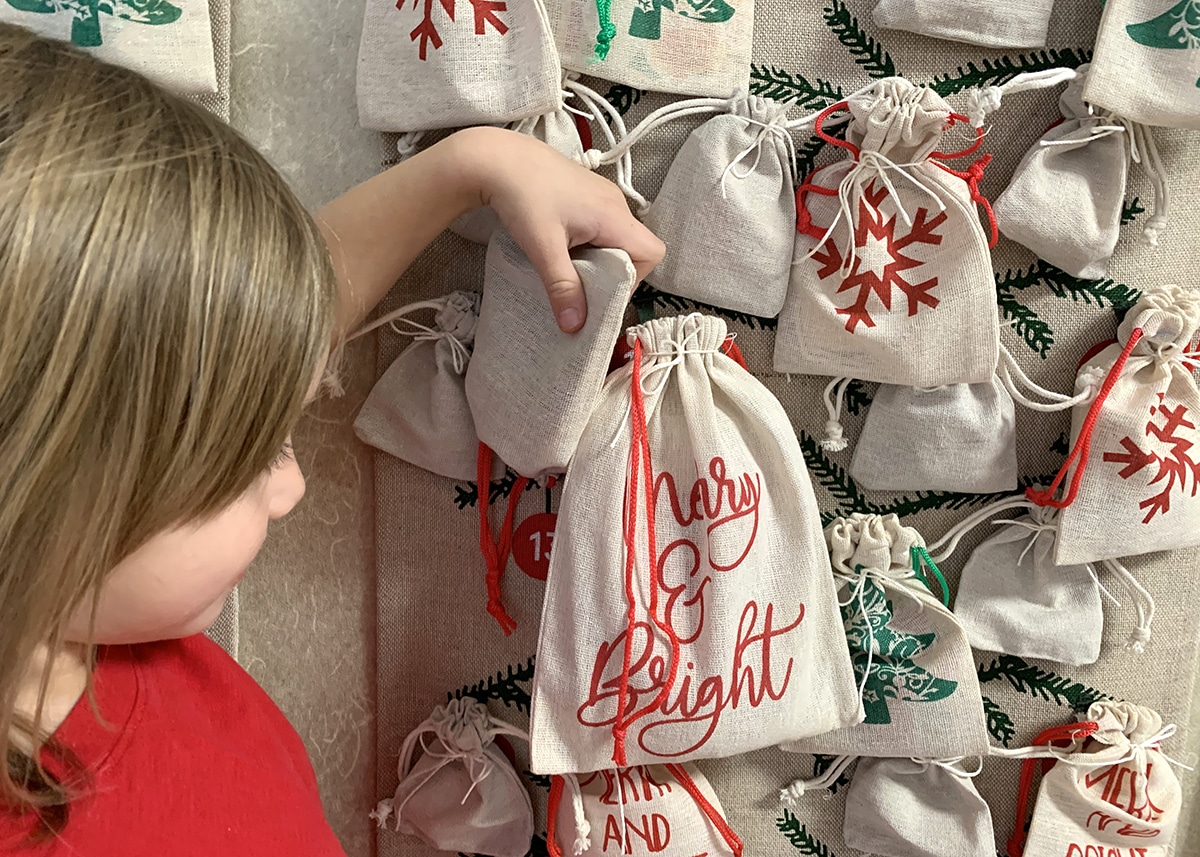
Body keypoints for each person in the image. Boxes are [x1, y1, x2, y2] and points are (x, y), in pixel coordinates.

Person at [0, 22, 663, 855]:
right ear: (34, 483)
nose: (290, 486)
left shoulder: (84, 611)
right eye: (244, 453)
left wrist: (471, 169)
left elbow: (226, 335)